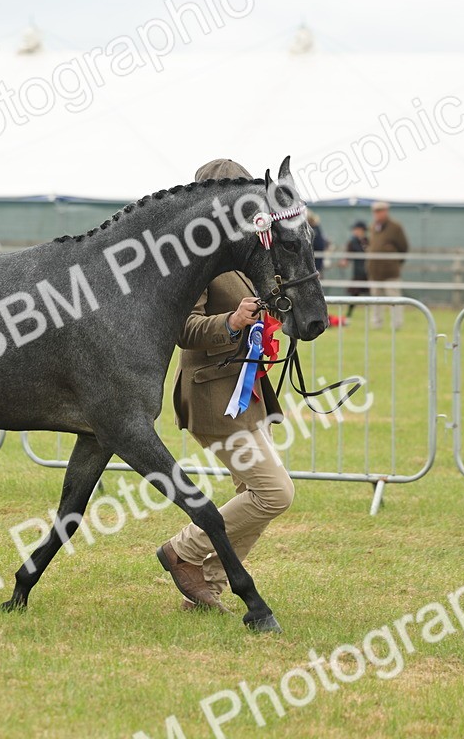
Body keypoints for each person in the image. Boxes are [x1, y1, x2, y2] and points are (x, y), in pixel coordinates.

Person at [156, 158, 294, 614]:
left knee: (253, 496)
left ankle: (208, 583)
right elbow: (184, 328)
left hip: (248, 393)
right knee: (275, 492)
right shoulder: (194, 258)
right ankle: (184, 551)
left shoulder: (239, 252)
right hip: (215, 397)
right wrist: (232, 321)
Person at [366, 201, 408, 329]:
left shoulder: (396, 227)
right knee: (375, 299)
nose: (377, 214)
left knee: (394, 298)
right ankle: (376, 323)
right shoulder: (373, 226)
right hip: (375, 271)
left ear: (386, 211)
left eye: (380, 211)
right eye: (375, 211)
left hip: (390, 272)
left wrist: (394, 261)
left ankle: (397, 324)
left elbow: (403, 247)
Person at [339, 221, 370, 318]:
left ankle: (373, 316)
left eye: (356, 229)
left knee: (372, 294)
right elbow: (347, 255)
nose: (354, 232)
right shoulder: (352, 242)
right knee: (354, 294)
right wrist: (344, 261)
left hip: (369, 273)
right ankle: (349, 315)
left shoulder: (368, 241)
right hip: (358, 273)